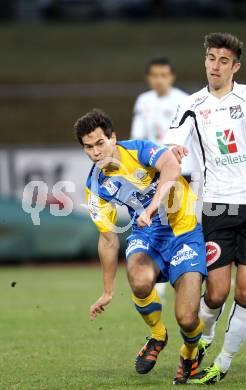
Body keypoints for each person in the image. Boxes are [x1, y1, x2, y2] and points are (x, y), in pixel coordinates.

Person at [164, 32, 246, 384]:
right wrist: (174, 152)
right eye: (211, 58)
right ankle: (200, 344)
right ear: (204, 61)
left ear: (235, 67)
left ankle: (225, 361)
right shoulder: (191, 104)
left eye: (223, 61)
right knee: (216, 292)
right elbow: (171, 144)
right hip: (216, 206)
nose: (215, 66)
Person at [74, 108, 207, 384]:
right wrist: (107, 291)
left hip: (185, 229)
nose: (96, 152)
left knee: (187, 318)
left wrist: (155, 204)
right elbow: (108, 239)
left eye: (100, 143)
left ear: (113, 139)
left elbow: (171, 165)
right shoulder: (95, 186)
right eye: (88, 147)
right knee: (138, 276)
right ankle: (158, 335)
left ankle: (189, 352)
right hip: (147, 234)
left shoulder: (139, 150)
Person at [130, 57, 190, 302]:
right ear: (148, 78)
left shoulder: (185, 100)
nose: (159, 80)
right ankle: (160, 282)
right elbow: (137, 137)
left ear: (172, 76)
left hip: (184, 171)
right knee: (159, 225)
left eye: (164, 75)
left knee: (187, 226)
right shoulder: (143, 101)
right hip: (155, 173)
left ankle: (196, 272)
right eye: (155, 75)